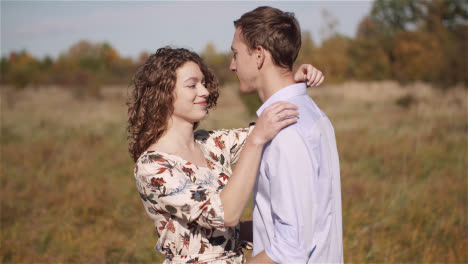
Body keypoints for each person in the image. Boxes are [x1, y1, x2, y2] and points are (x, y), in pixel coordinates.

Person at [127, 47, 324, 263]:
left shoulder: (210, 144)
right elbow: (225, 215)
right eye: (192, 85)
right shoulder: (153, 166)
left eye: (204, 83)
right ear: (162, 93)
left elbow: (272, 124)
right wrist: (255, 142)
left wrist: (290, 84)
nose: (204, 91)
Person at [230, 6, 343, 263]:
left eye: (236, 54)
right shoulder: (312, 114)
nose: (232, 66)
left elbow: (290, 249)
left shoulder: (286, 131)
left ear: (259, 55)